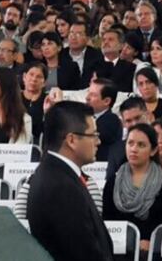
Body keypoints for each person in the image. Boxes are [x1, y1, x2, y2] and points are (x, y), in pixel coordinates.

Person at [27, 101, 113, 261]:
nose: (98, 142)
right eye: (93, 135)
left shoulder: (57, 174)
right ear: (72, 140)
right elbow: (82, 251)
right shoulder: (60, 186)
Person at [102, 122, 162, 249]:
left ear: (153, 150)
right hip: (117, 250)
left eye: (141, 145)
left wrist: (152, 243)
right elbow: (107, 222)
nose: (134, 149)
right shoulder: (113, 182)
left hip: (154, 251)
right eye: (130, 143)